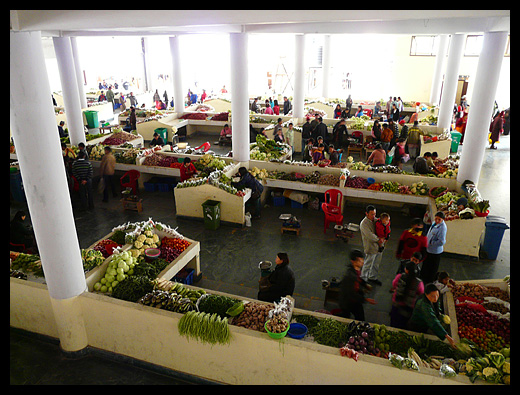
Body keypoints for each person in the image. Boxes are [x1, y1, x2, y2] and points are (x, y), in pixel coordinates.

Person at [407, 283, 456, 347]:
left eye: (437, 295)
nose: (435, 298)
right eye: (432, 296)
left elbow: (437, 306)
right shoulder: (423, 305)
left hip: (425, 324)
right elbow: (433, 321)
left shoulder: (433, 298)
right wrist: (447, 336)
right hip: (417, 325)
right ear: (426, 294)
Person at [338, 249, 376, 321]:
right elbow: (351, 293)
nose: (362, 262)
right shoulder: (350, 276)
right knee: (355, 317)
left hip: (353, 300)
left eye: (362, 259)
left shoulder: (356, 270)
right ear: (353, 261)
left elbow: (359, 279)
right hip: (348, 301)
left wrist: (365, 285)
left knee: (352, 316)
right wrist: (366, 299)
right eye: (359, 260)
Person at [390, 260, 424, 329]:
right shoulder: (418, 283)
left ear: (406, 270)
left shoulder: (399, 276)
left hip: (397, 304)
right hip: (408, 307)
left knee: (394, 323)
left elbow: (394, 284)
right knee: (404, 325)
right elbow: (421, 293)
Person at [420, 211, 447, 284]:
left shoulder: (442, 228)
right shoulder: (434, 223)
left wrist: (432, 243)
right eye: (436, 219)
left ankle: (429, 281)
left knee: (432, 267)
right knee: (426, 264)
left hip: (435, 251)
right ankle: (423, 277)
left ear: (442, 220)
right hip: (429, 248)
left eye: (439, 219)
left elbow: (442, 242)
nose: (437, 221)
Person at [359, 205, 383, 286]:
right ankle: (363, 279)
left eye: (375, 214)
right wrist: (379, 240)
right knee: (368, 264)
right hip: (371, 247)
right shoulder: (364, 224)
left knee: (376, 263)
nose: (374, 216)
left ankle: (372, 277)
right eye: (372, 214)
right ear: (366, 213)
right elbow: (369, 235)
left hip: (379, 246)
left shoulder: (376, 221)